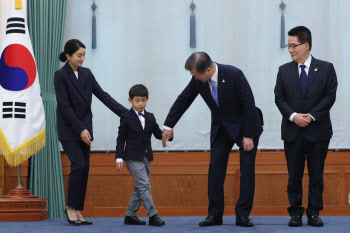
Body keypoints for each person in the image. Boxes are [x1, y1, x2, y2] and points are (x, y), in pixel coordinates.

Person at [162, 52, 263, 227]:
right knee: (215, 170)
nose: (194, 78)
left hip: (245, 126)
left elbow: (249, 104)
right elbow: (183, 100)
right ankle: (215, 215)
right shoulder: (198, 80)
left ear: (208, 70)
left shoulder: (234, 74)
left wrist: (248, 135)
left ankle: (243, 216)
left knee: (246, 171)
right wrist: (168, 126)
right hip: (221, 128)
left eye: (196, 74)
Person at [54, 39, 127, 225]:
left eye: (84, 54)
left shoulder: (87, 74)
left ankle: (78, 209)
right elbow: (65, 106)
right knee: (78, 165)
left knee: (84, 169)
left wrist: (127, 114)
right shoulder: (60, 75)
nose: (83, 58)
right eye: (79, 55)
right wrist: (80, 129)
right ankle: (70, 207)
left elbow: (102, 95)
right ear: (68, 56)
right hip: (70, 129)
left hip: (86, 128)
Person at [274, 26, 337, 227]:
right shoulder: (284, 70)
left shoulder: (326, 68)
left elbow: (330, 96)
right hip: (293, 131)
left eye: (294, 46)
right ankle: (295, 213)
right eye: (288, 46)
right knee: (294, 175)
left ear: (306, 45)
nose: (290, 50)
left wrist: (310, 116)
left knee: (316, 174)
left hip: (318, 131)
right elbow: (279, 98)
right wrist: (293, 116)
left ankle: (314, 213)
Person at [115, 84, 172, 226]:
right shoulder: (126, 117)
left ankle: (130, 215)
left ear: (147, 100)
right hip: (132, 158)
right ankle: (153, 215)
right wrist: (119, 157)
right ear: (130, 101)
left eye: (143, 100)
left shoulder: (150, 117)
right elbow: (121, 138)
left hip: (146, 157)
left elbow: (158, 134)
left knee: (139, 187)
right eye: (137, 100)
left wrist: (167, 136)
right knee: (145, 186)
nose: (141, 103)